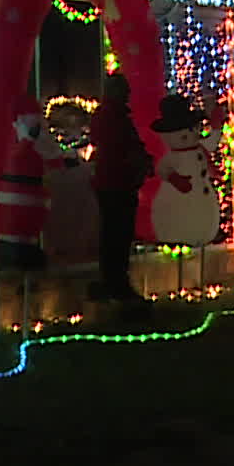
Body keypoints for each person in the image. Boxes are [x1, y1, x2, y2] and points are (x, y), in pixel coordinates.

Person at [89, 71, 151, 303]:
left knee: (110, 234)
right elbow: (124, 147)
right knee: (119, 234)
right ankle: (117, 283)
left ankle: (111, 281)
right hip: (119, 184)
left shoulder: (103, 115)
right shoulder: (116, 117)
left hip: (109, 182)